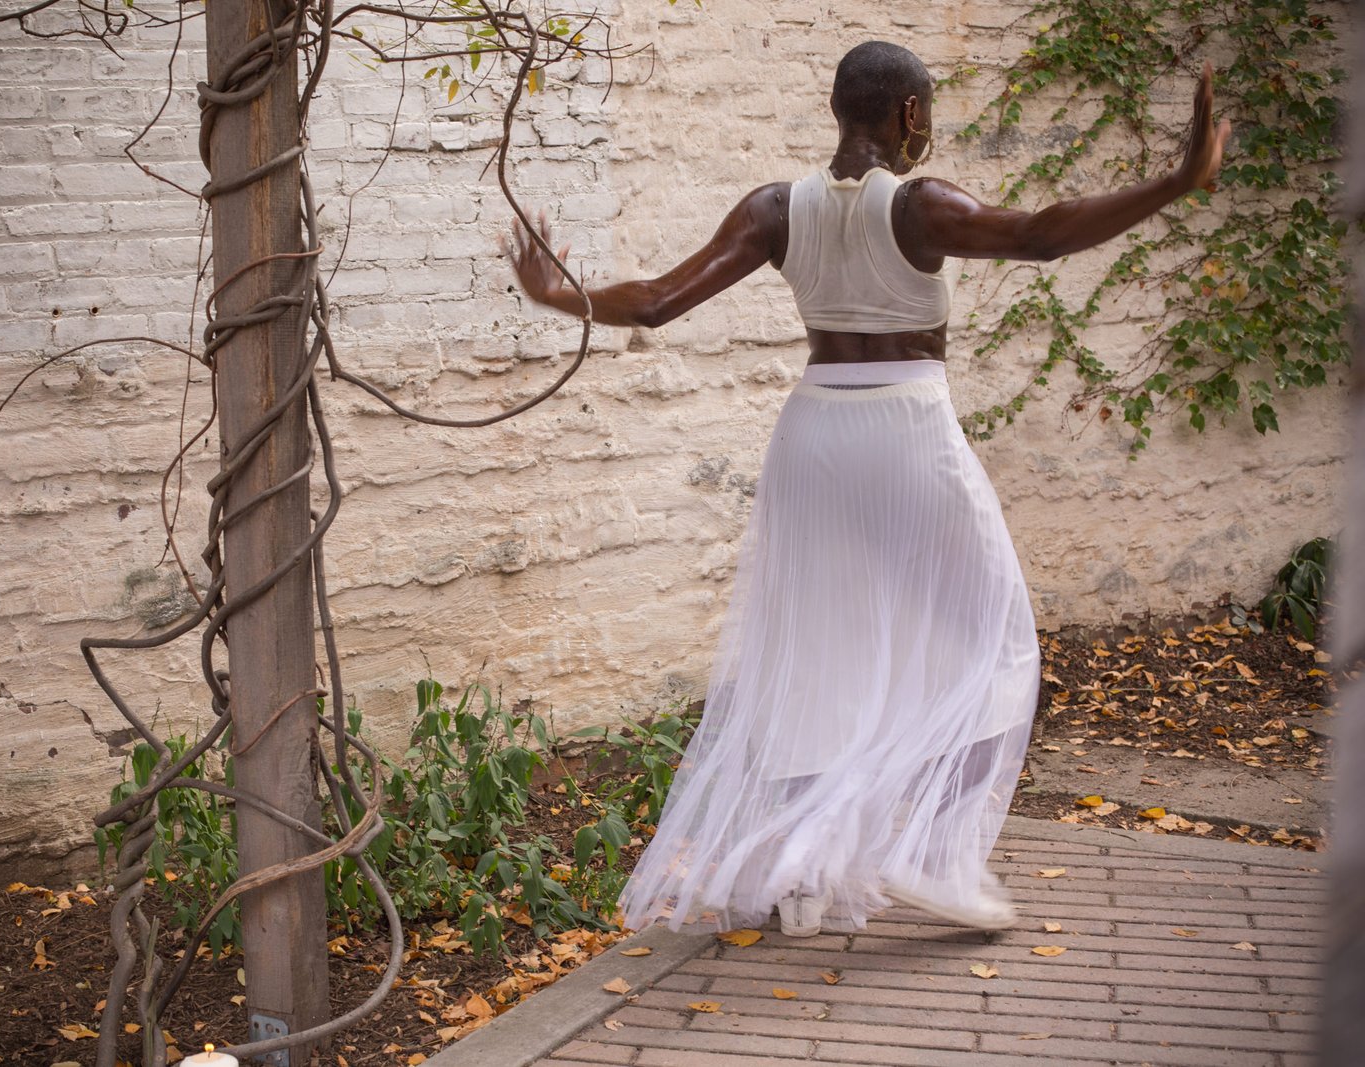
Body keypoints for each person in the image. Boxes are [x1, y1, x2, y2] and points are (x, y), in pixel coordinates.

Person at [505, 41, 1230, 934]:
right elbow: (1041, 234)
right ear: (908, 114)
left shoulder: (775, 209)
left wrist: (560, 294)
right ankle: (935, 852)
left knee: (817, 655)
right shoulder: (921, 207)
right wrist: (1176, 181)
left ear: (839, 109)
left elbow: (656, 300)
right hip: (906, 431)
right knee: (997, 637)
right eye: (928, 114)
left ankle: (800, 875)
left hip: (813, 439)